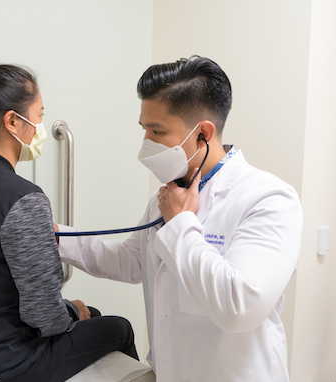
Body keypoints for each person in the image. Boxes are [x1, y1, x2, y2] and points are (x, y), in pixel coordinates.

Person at [55, 56, 303, 381]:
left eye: (157, 131)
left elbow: (240, 306)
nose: (147, 144)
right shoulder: (172, 194)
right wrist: (56, 235)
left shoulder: (268, 198)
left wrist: (181, 225)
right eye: (144, 129)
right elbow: (132, 260)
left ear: (203, 133)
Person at [0, 64, 138, 382]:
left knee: (88, 314)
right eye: (38, 115)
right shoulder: (23, 198)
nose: (39, 126)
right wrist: (73, 310)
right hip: (10, 363)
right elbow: (46, 319)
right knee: (119, 327)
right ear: (12, 121)